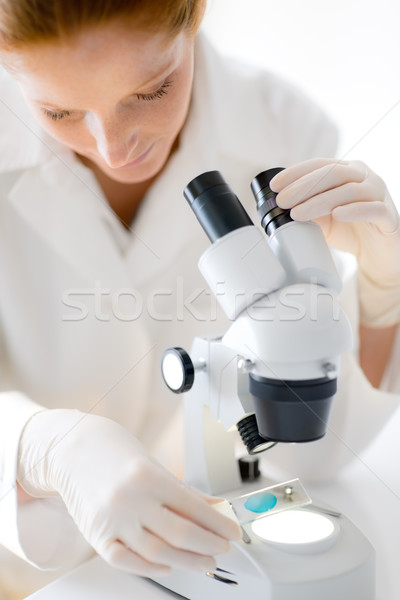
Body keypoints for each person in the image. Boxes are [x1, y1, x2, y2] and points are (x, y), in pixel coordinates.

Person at [0, 0, 398, 597]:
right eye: (58, 111)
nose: (113, 149)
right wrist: (42, 448)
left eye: (152, 90)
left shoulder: (285, 126)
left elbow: (313, 453)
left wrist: (385, 288)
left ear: (198, 11)